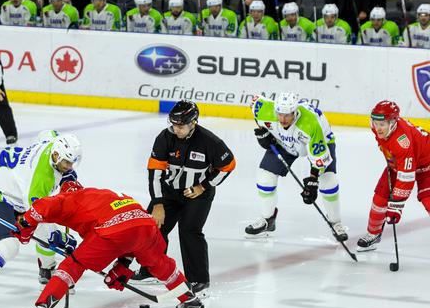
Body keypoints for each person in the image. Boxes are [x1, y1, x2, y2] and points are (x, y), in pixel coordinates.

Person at [14, 182, 206, 308]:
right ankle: (190, 300)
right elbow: (131, 233)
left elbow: (43, 206)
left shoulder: (71, 197)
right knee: (160, 264)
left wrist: (24, 225)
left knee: (73, 265)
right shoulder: (105, 194)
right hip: (146, 226)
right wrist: (122, 265)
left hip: (113, 230)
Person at [0, 132, 81, 308]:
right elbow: (37, 213)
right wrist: (60, 239)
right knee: (10, 246)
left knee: (47, 228)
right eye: (67, 162)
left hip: (11, 180)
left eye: (72, 162)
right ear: (56, 155)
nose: (69, 167)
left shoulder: (53, 145)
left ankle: (47, 272)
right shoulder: (40, 179)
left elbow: (49, 133)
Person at [132, 100, 235, 297]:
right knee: (152, 226)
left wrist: (203, 186)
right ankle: (150, 269)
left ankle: (198, 279)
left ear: (193, 122)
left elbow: (228, 165)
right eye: (173, 124)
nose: (176, 129)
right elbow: (155, 173)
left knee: (190, 230)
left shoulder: (209, 141)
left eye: (180, 125)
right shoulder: (164, 138)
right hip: (170, 192)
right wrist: (158, 203)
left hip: (198, 194)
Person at [248, 93, 348, 241]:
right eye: (280, 114)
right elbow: (255, 103)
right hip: (283, 142)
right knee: (265, 177)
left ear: (295, 112)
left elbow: (318, 158)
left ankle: (335, 222)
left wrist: (313, 181)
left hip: (320, 139)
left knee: (328, 180)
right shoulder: (264, 110)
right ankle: (267, 220)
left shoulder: (310, 124)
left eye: (287, 115)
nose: (282, 119)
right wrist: (264, 134)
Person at [357, 101, 430, 251]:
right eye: (376, 123)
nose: (378, 128)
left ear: (393, 123)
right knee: (380, 197)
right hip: (397, 165)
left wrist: (396, 207)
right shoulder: (377, 128)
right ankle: (373, 234)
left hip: (427, 164)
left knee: (428, 199)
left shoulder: (402, 141)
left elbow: (407, 176)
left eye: (382, 124)